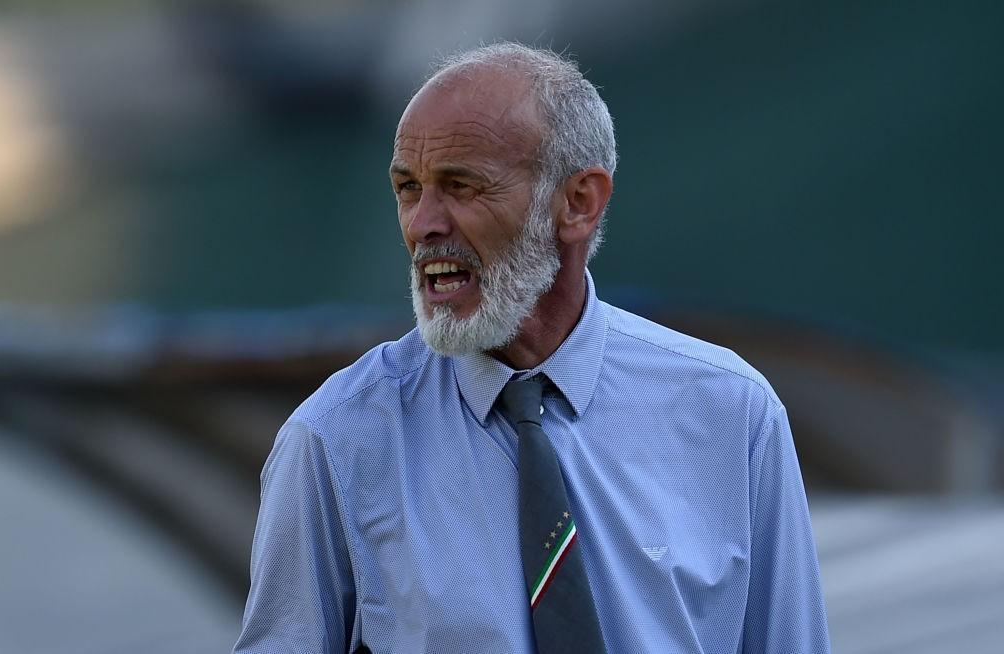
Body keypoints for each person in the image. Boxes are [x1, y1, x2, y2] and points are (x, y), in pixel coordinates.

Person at [233, 43, 830, 653]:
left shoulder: (732, 414)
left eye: (461, 187)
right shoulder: (336, 439)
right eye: (408, 189)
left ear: (578, 203)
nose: (422, 225)